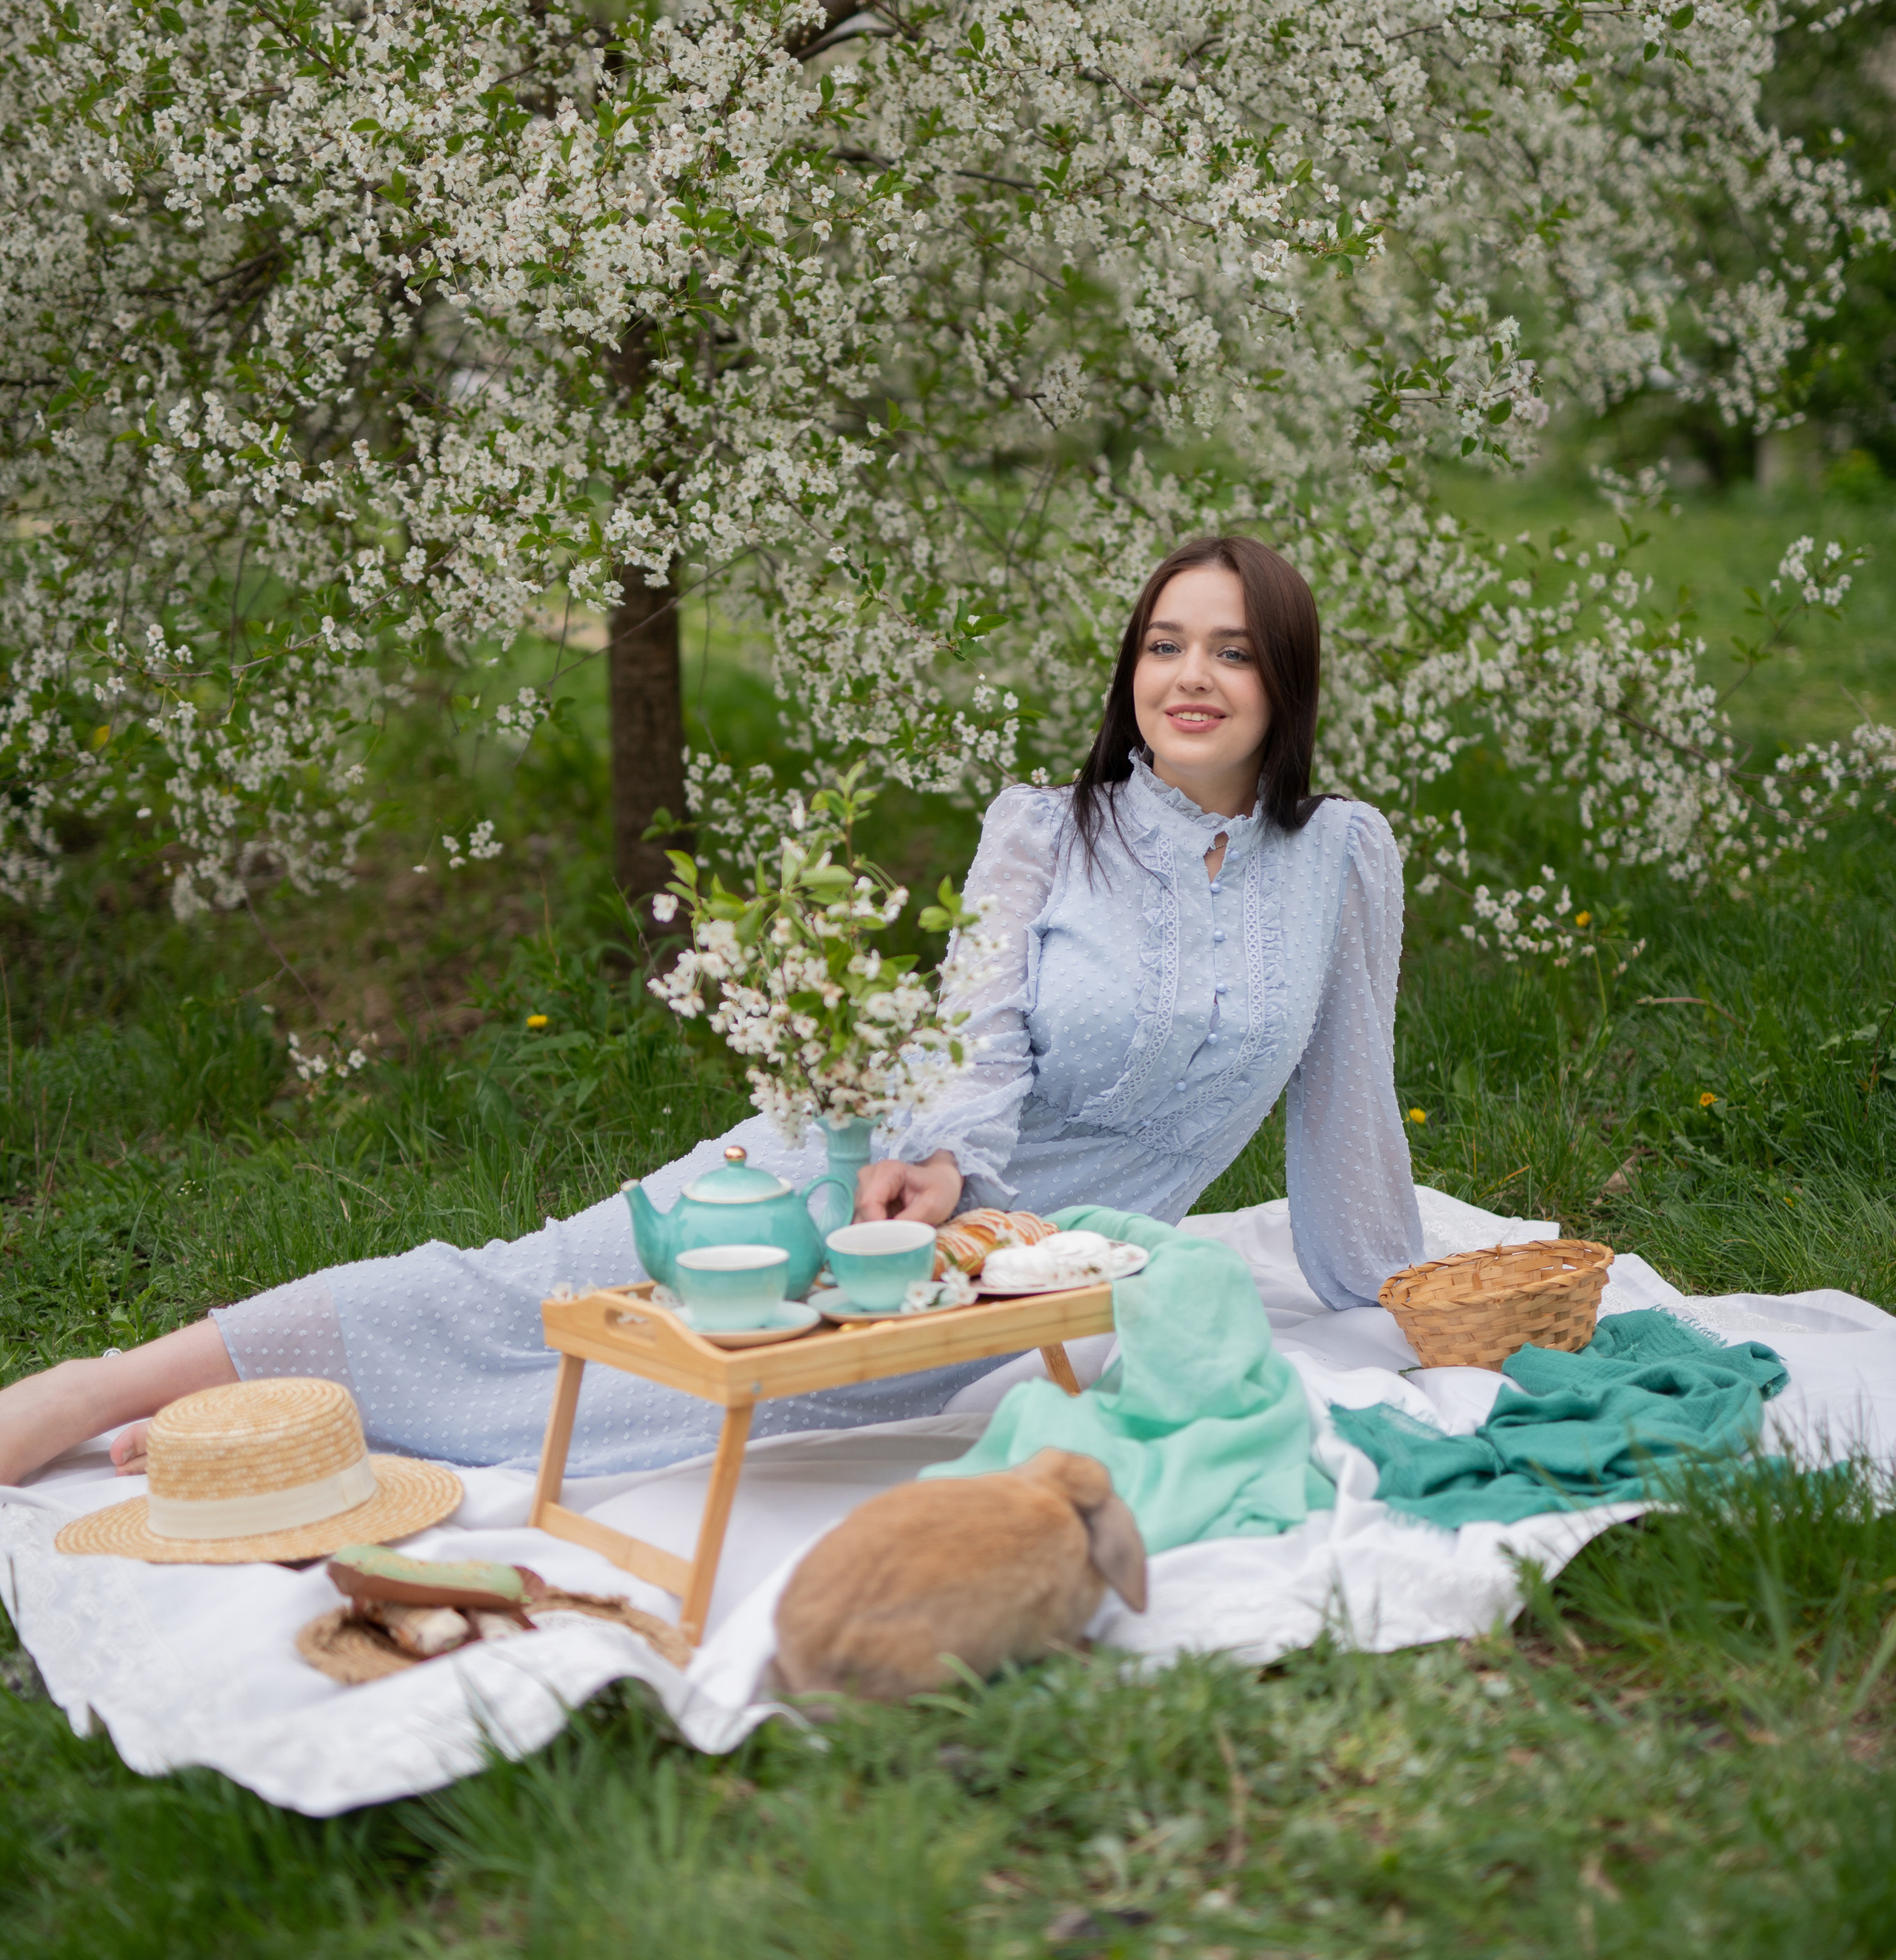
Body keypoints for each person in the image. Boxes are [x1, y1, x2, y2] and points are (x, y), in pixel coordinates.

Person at [0, 535, 1422, 1486]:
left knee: (707, 1402)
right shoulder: (1048, 829)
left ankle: (303, 1418)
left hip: (1021, 1291)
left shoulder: (1342, 857)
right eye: (1163, 644)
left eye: (1231, 652)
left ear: (1283, 679)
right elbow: (974, 1031)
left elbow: (1350, 1088)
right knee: (551, 1285)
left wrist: (1393, 1296)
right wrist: (950, 1175)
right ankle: (102, 1381)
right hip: (884, 1187)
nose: (1188, 678)